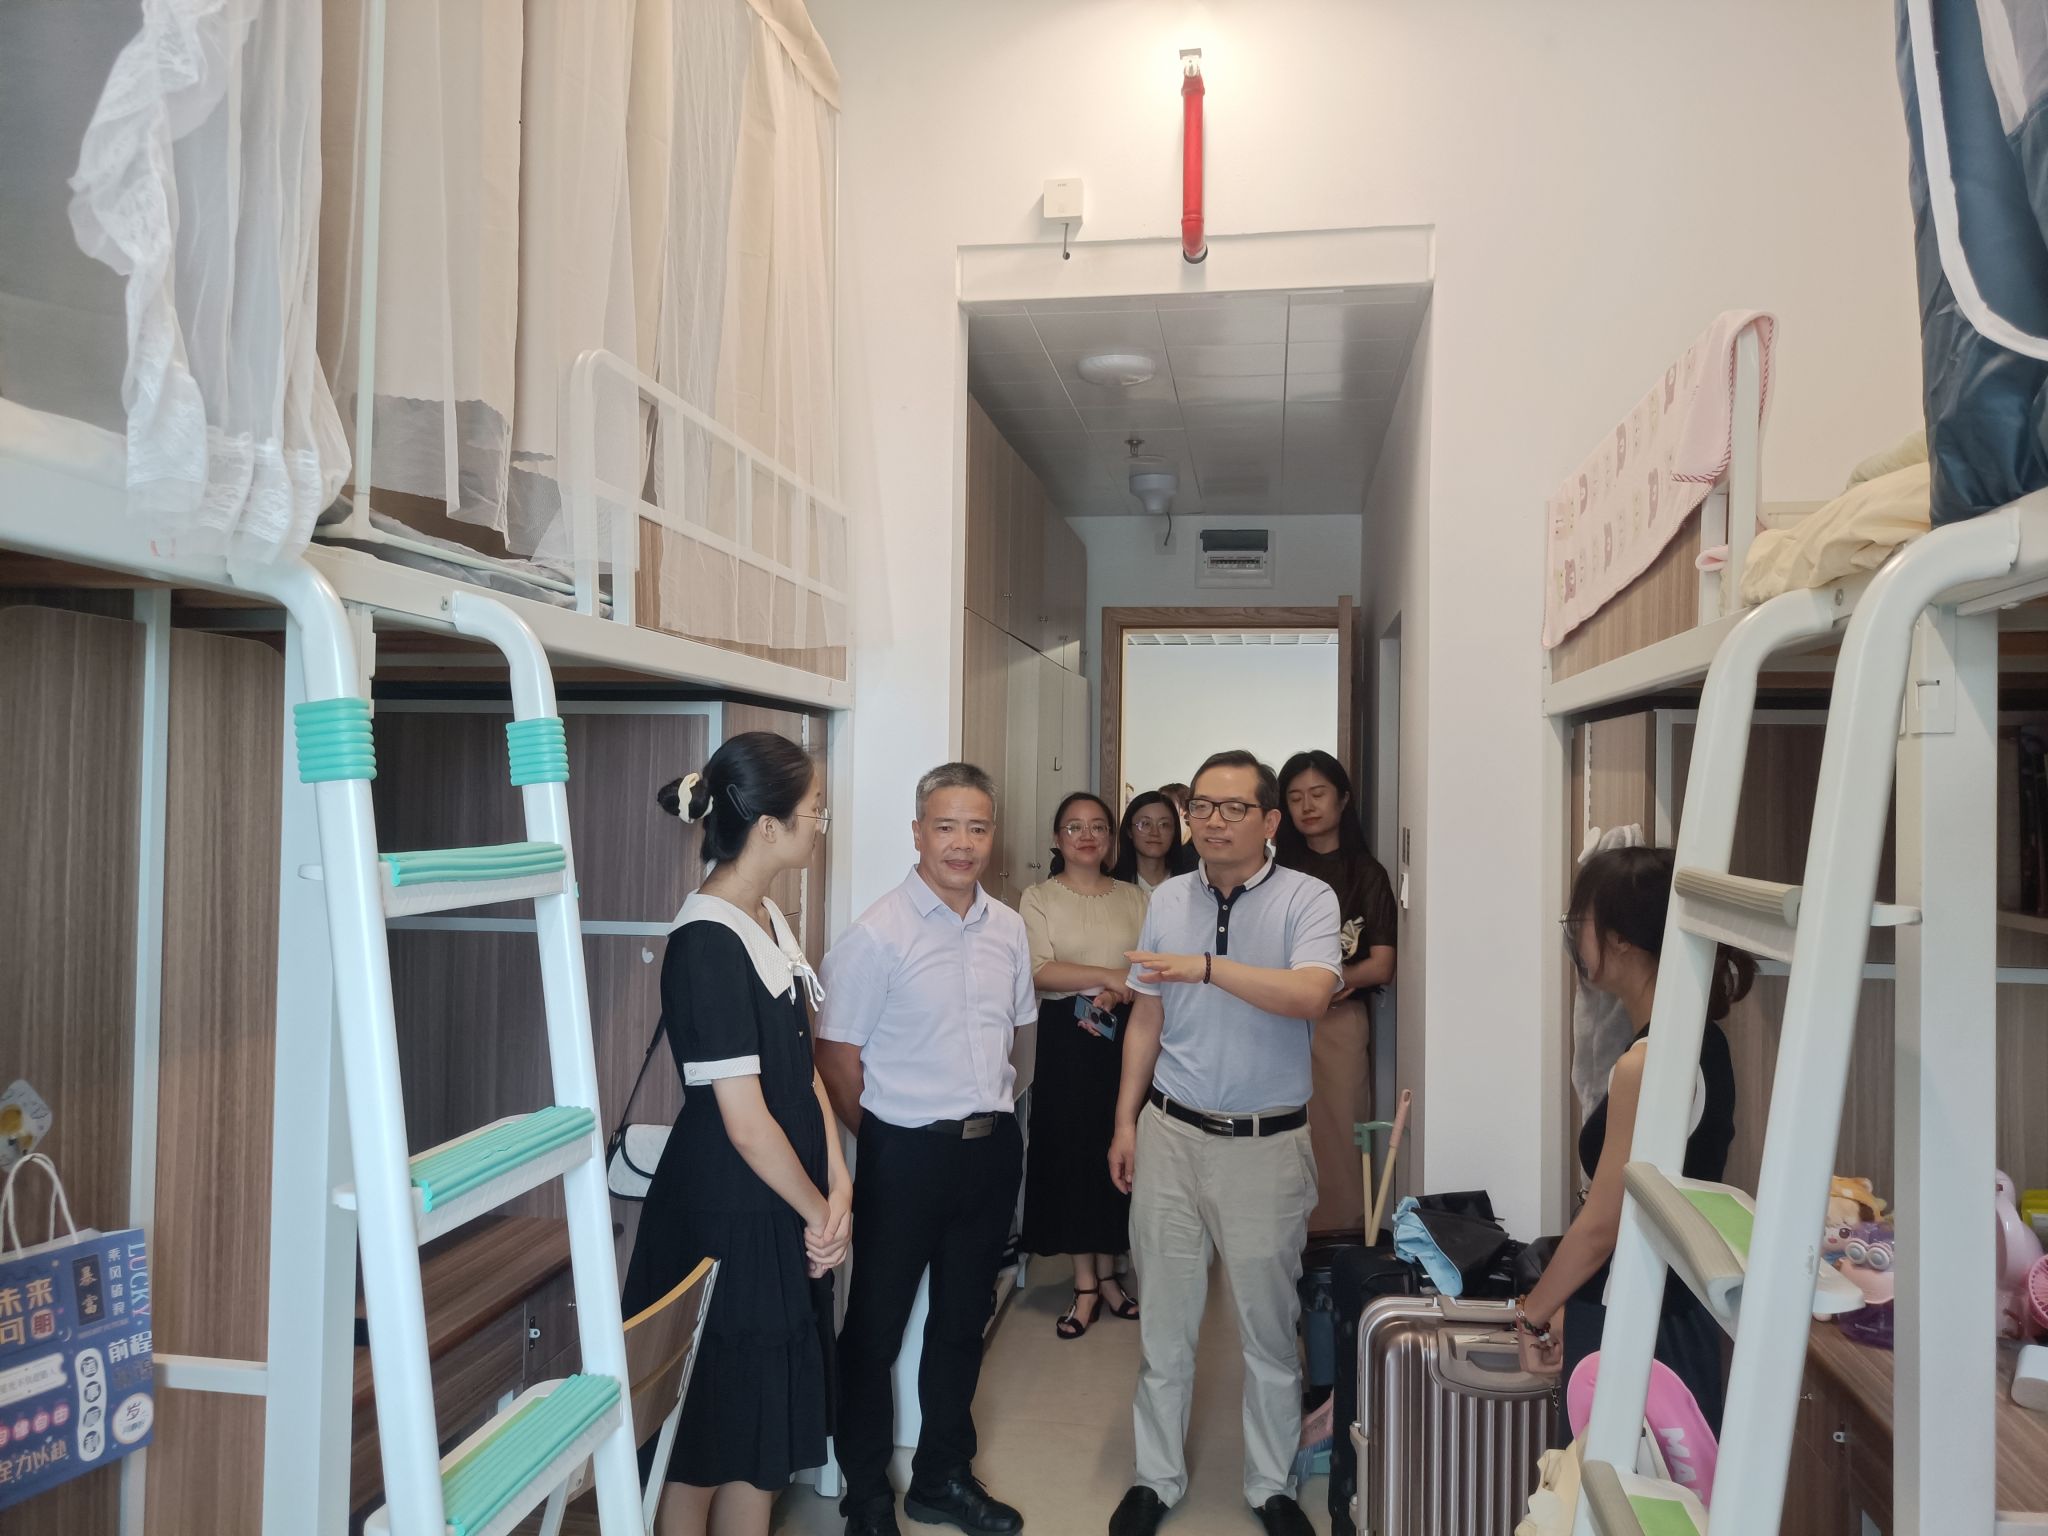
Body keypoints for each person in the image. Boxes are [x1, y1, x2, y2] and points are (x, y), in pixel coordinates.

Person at [1104, 751, 1343, 1536]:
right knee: (1165, 1325)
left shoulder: (1308, 897)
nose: (1212, 821)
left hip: (1265, 1146)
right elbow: (1147, 1015)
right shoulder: (1169, 898)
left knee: (1268, 1330)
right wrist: (1126, 1121)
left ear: (1270, 821)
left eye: (1233, 808)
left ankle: (1271, 1485)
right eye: (1201, 806)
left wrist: (1208, 967)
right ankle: (1155, 1477)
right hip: (1171, 1132)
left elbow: (1311, 993)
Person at [620, 732, 850, 1536]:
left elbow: (803, 1070)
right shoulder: (706, 941)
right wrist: (819, 1211)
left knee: (761, 1433)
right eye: (815, 811)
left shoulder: (766, 917)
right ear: (769, 826)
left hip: (782, 1200)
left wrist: (838, 1183)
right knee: (705, 1435)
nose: (821, 824)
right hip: (726, 1211)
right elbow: (746, 1123)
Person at [816, 763, 1034, 1536]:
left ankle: (941, 1477)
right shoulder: (877, 934)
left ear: (992, 834)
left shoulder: (1008, 927)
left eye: (977, 827)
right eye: (946, 827)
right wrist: (887, 1138)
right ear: (918, 832)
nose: (962, 843)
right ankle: (867, 1496)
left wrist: (992, 1115)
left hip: (989, 1153)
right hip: (902, 1156)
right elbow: (835, 1057)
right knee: (874, 1331)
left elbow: (1019, 1038)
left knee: (961, 1323)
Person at [1515, 845, 1747, 1431]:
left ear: (1619, 939)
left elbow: (1604, 1222)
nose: (1574, 937)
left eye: (1580, 921)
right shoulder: (1700, 1041)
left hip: (1640, 1316)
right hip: (1669, 1306)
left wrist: (1533, 1314)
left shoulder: (1647, 1064)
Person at [1018, 791, 1149, 1339]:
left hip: (1126, 1035)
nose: (1087, 836)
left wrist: (1116, 991)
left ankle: (1113, 1274)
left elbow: (1146, 970)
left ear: (1111, 838)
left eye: (1097, 826)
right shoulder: (1038, 897)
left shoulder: (1136, 898)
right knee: (1072, 1152)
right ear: (1057, 838)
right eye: (1074, 827)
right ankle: (1086, 1283)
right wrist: (1108, 977)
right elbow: (1038, 970)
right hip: (1065, 1039)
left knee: (1118, 1149)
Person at [1275, 750, 1398, 1237]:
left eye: (1318, 794)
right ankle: (1282, 1239)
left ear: (1343, 799)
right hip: (1276, 1017)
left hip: (1337, 1021)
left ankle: (1337, 1241)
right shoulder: (1275, 871)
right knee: (1279, 1131)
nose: (1307, 806)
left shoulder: (1366, 873)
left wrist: (1334, 981)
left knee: (1338, 1131)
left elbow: (1382, 964)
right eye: (1295, 797)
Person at [1112, 790, 1198, 896]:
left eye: (1164, 825)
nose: (1155, 833)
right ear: (1129, 831)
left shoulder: (1192, 886)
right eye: (1145, 824)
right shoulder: (1110, 887)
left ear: (1174, 831)